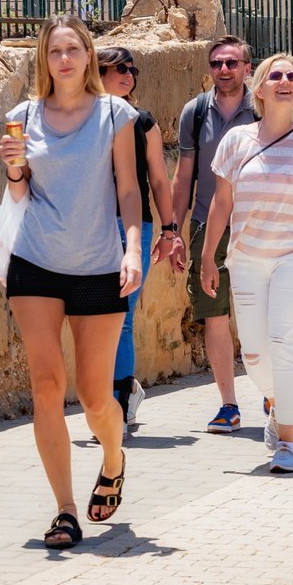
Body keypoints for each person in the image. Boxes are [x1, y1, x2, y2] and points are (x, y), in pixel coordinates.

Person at [0, 14, 142, 551]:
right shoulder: (23, 116)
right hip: (35, 262)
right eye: (55, 51)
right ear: (44, 58)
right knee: (45, 386)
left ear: (88, 57)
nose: (64, 59)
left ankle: (113, 458)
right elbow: (19, 194)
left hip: (99, 266)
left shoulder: (115, 113)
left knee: (94, 397)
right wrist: (14, 169)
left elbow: (128, 189)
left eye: (73, 50)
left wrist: (133, 249)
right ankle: (64, 510)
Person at [200, 53, 293, 473]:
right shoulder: (236, 141)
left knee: (284, 345)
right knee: (253, 354)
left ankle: (286, 441)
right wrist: (208, 258)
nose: (286, 80)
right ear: (260, 88)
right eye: (276, 75)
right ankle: (275, 401)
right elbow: (221, 203)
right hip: (246, 259)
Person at [170, 35, 258, 433]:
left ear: (247, 68)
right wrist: (174, 230)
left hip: (256, 226)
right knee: (215, 316)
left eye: (232, 63)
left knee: (260, 315)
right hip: (208, 227)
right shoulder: (195, 112)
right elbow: (183, 175)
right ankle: (229, 405)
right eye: (217, 63)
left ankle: (272, 391)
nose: (224, 70)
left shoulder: (262, 107)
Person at [97, 45, 176, 433]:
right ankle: (109, 396)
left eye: (132, 70)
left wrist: (169, 230)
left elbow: (159, 180)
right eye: (119, 69)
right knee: (92, 319)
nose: (128, 75)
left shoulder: (143, 121)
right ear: (97, 74)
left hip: (133, 227)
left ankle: (118, 404)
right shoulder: (81, 119)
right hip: (89, 229)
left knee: (122, 319)